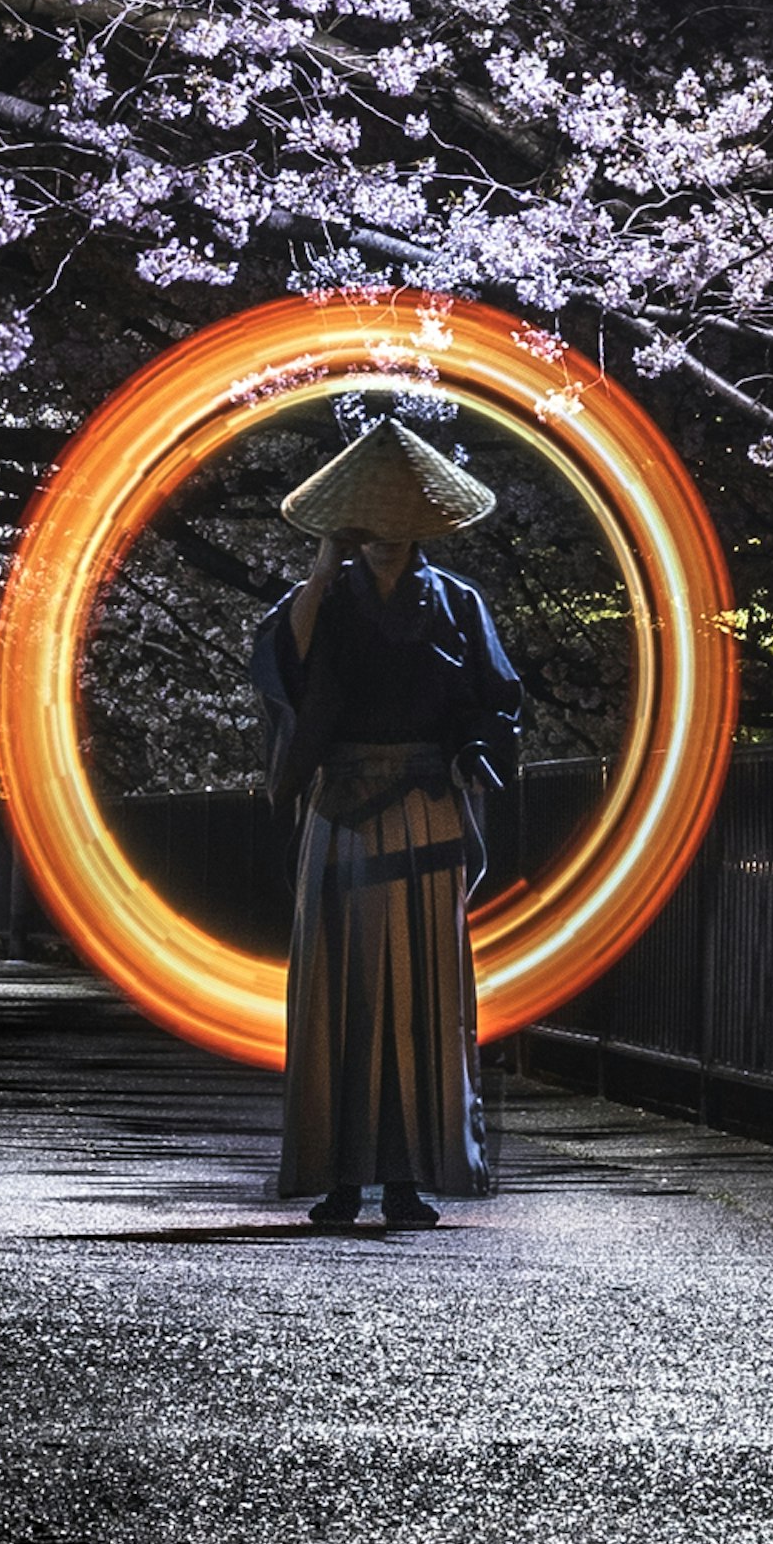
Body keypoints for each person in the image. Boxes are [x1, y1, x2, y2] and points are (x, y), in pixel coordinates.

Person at [249, 411, 525, 1229]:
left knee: (423, 1000)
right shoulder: (321, 600)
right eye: (365, 528)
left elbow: (496, 702)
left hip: (426, 806)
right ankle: (341, 1178)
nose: (382, 539)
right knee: (338, 991)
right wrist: (320, 565)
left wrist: (473, 753)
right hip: (339, 803)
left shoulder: (457, 603)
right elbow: (282, 668)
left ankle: (406, 1179)